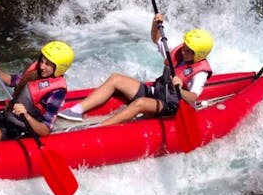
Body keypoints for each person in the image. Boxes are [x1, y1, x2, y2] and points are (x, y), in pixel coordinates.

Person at [57, 16, 213, 127]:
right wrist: (155, 24)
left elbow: (192, 97)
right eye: (185, 46)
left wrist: (179, 88)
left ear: (198, 54)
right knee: (116, 78)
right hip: (157, 92)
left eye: (188, 50)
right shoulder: (179, 52)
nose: (184, 51)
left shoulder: (200, 73)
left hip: (171, 106)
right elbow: (156, 38)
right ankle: (76, 111)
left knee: (140, 103)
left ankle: (100, 128)